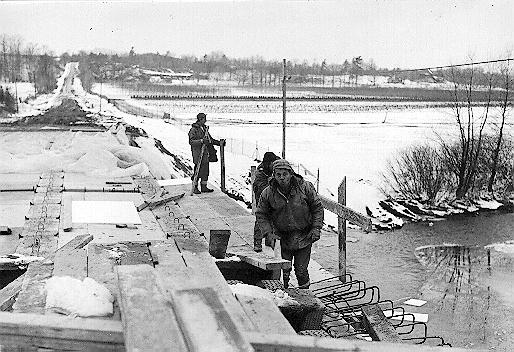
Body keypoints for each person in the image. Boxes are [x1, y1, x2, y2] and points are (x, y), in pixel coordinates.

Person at [256, 159, 324, 289]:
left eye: (285, 174)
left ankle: (306, 294)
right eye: (278, 174)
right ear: (273, 175)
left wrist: (316, 228)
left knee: (301, 270)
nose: (282, 178)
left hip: (304, 236)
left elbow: (317, 208)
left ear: (291, 174)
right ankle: (286, 294)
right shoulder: (268, 192)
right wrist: (268, 233)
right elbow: (261, 213)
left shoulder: (305, 187)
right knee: (284, 270)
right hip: (282, 238)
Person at [253, 151, 280, 252]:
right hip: (262, 196)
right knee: (261, 217)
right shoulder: (260, 173)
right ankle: (257, 242)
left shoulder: (277, 165)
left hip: (275, 197)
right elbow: (261, 189)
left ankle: (270, 241)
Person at [188, 112, 220, 194]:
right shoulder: (194, 129)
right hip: (198, 153)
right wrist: (201, 141)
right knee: (198, 171)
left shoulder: (204, 128)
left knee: (205, 171)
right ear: (200, 119)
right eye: (204, 118)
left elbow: (210, 140)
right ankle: (194, 187)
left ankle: (204, 187)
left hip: (205, 154)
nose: (205, 120)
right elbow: (191, 141)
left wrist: (219, 143)